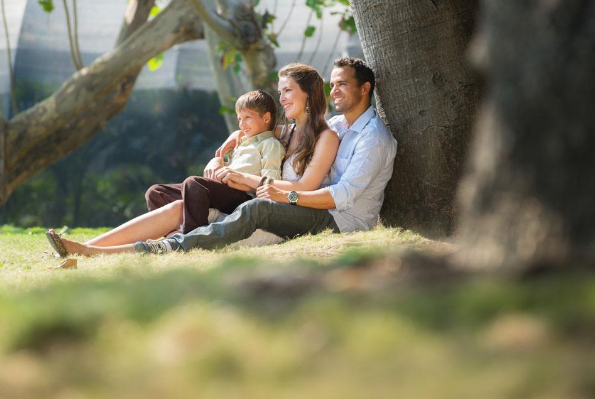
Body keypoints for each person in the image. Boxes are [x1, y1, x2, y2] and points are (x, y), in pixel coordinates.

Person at [46, 63, 339, 256]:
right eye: (281, 92)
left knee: (192, 185)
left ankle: (186, 236)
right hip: (244, 188)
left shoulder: (321, 136)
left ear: (309, 94)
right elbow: (252, 129)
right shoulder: (287, 129)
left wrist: (239, 178)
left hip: (264, 201)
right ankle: (82, 247)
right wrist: (225, 148)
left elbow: (304, 186)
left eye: (288, 91)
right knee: (160, 194)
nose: (283, 97)